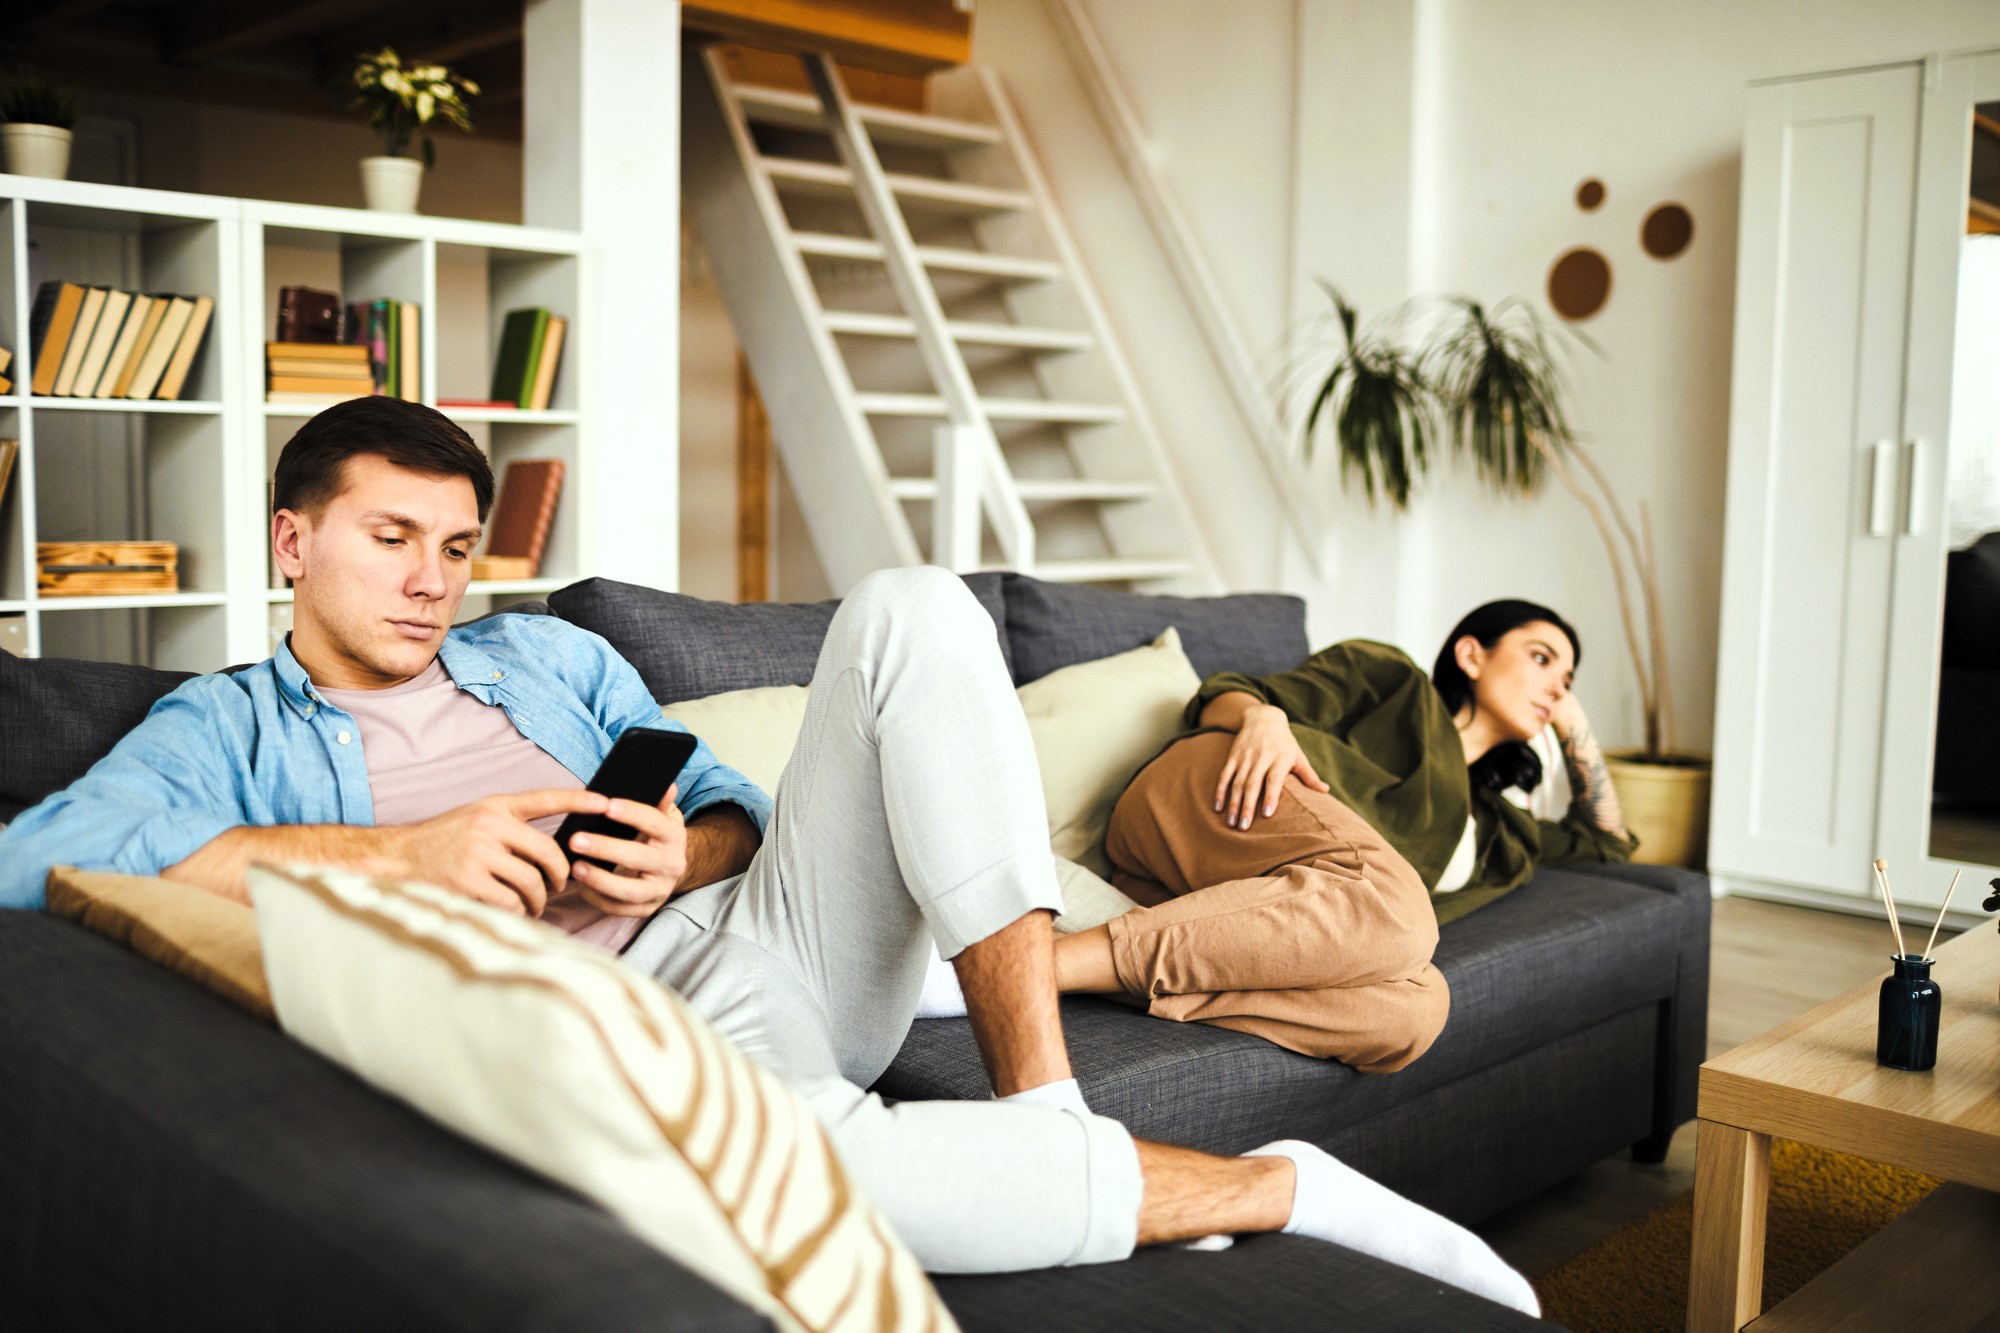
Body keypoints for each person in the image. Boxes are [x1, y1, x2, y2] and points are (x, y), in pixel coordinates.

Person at [0, 399, 1537, 1314]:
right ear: (293, 544)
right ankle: (1274, 1189)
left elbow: (740, 808)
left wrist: (678, 849)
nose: (430, 581)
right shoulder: (221, 728)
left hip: (743, 933)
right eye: (391, 538)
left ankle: (1042, 1101)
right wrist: (407, 857)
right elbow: (34, 867)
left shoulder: (541, 658)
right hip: (598, 1030)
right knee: (803, 1179)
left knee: (915, 606)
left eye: (456, 547)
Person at [1037, 602, 1635, 1071]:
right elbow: (1223, 693)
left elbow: (1607, 841)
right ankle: (1032, 970)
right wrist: (1261, 717)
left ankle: (1111, 969)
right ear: (1472, 655)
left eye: (1570, 677)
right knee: (1401, 909)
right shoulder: (1396, 682)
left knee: (1416, 1010)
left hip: (1223, 907)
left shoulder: (1503, 832)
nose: (1559, 685)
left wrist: (1574, 724)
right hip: (1216, 797)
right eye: (1541, 658)